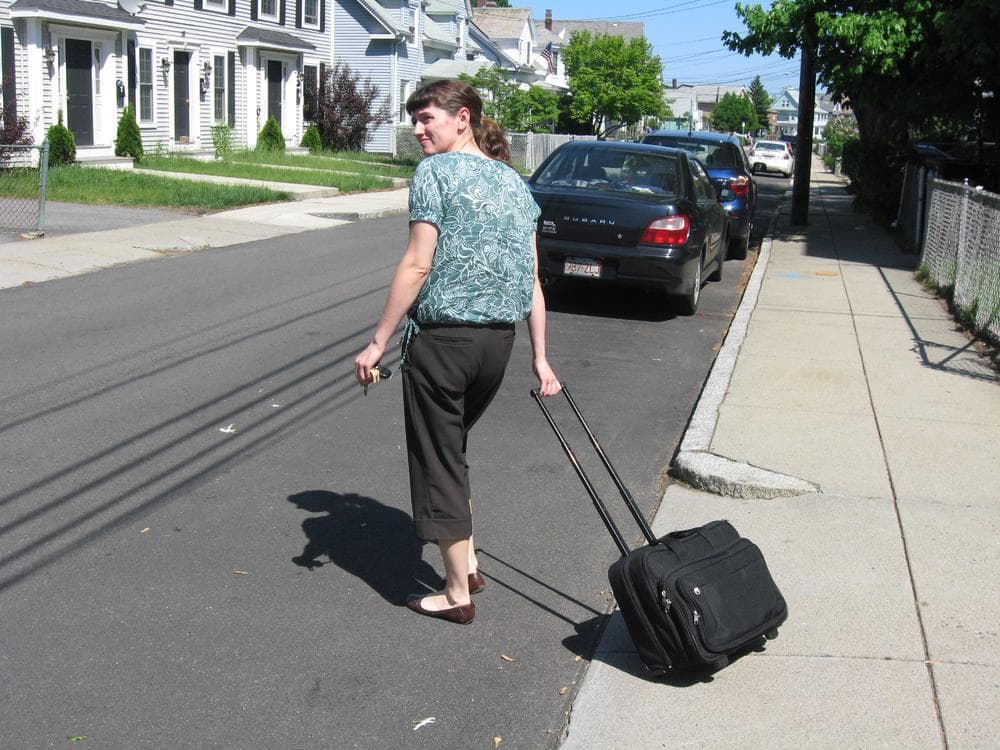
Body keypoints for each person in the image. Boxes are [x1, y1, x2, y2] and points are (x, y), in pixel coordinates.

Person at [354, 80, 560, 625]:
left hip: (443, 343)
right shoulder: (515, 184)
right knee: (454, 447)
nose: (419, 130)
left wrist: (378, 341)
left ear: (462, 117)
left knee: (437, 458)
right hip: (498, 344)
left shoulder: (434, 174)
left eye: (427, 119)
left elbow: (418, 264)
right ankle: (468, 563)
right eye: (415, 120)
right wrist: (540, 357)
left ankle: (454, 593)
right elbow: (533, 281)